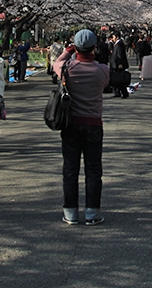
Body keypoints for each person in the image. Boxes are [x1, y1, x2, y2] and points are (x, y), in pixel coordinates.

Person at [53, 29, 110, 225]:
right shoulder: (102, 70)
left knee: (70, 169)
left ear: (75, 47)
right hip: (94, 124)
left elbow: (56, 63)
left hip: (71, 124)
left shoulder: (67, 68)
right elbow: (105, 84)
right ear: (94, 47)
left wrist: (67, 51)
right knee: (93, 170)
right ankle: (92, 213)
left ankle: (70, 213)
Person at [109, 31, 130, 98]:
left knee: (120, 79)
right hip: (116, 64)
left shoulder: (119, 44)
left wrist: (120, 63)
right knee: (117, 79)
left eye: (114, 37)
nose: (113, 38)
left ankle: (124, 93)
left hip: (118, 64)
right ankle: (117, 92)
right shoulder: (118, 44)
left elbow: (120, 55)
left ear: (117, 37)